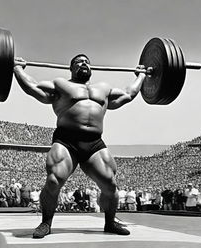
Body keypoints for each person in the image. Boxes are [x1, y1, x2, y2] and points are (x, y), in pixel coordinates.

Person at [14, 54, 147, 238]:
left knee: (110, 184)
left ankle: (110, 223)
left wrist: (140, 75)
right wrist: (17, 68)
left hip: (94, 143)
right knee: (53, 180)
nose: (83, 63)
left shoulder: (104, 88)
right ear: (71, 68)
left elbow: (129, 94)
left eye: (86, 61)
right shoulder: (61, 84)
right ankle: (46, 223)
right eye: (78, 61)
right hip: (66, 140)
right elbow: (32, 87)